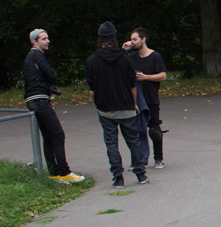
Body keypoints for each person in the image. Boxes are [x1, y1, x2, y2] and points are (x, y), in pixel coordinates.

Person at [86, 22, 148, 187]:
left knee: (111, 143)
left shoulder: (92, 60)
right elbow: (132, 84)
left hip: (105, 108)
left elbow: (92, 90)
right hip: (126, 105)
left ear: (99, 39)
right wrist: (134, 103)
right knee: (133, 141)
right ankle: (140, 174)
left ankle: (118, 177)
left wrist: (98, 103)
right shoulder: (124, 57)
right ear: (114, 38)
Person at [23, 29, 85, 183]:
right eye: (44, 39)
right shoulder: (37, 55)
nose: (48, 41)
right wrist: (50, 80)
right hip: (40, 100)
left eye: (47, 38)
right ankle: (64, 172)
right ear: (35, 42)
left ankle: (54, 173)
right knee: (58, 134)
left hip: (32, 100)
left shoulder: (29, 57)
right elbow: (51, 74)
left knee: (48, 137)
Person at [123, 27, 167, 169]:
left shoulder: (155, 56)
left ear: (143, 39)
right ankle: (138, 160)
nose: (132, 42)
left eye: (135, 39)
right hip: (136, 100)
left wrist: (145, 77)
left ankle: (158, 159)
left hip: (151, 98)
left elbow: (163, 75)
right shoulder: (131, 57)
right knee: (136, 131)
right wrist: (124, 50)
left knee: (154, 130)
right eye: (131, 39)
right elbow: (119, 64)